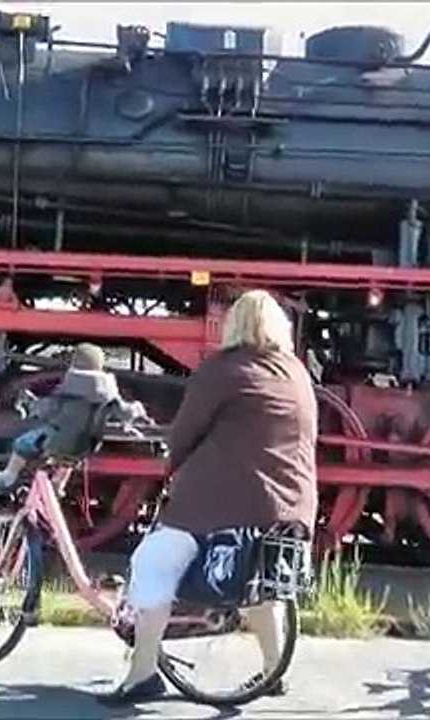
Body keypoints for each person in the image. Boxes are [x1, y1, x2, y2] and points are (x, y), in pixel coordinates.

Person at [100, 289, 320, 704]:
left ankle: (143, 674)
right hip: (292, 508)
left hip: (223, 504)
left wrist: (171, 471)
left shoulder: (224, 369)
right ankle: (273, 670)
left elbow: (184, 433)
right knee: (258, 583)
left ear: (233, 325)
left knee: (152, 564)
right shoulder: (296, 372)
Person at [0, 342, 146, 492]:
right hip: (86, 445)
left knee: (23, 444)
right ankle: (57, 487)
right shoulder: (109, 395)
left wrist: (31, 406)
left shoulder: (68, 391)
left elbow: (47, 409)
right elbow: (124, 411)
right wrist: (136, 411)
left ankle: (8, 476)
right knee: (68, 461)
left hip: (57, 440)